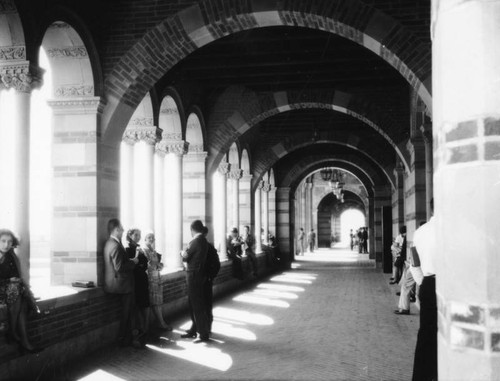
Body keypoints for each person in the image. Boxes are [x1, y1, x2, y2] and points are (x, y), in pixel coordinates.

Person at [0, 229, 41, 353]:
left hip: (11, 291)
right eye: (3, 241)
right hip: (4, 290)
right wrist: (9, 281)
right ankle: (15, 334)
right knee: (17, 293)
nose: (6, 245)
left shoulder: (11, 256)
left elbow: (16, 275)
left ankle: (23, 341)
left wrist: (14, 281)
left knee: (22, 305)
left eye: (10, 242)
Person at [410, 204, 437, 381]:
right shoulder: (458, 229)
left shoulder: (420, 232)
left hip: (428, 284)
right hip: (450, 285)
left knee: (426, 335)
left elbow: (414, 263)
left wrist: (425, 283)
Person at [103, 218, 139, 346]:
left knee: (127, 312)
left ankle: (126, 338)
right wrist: (133, 262)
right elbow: (119, 267)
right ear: (117, 230)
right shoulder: (116, 245)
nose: (123, 231)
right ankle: (124, 339)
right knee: (128, 312)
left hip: (114, 284)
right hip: (122, 285)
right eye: (122, 228)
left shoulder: (109, 243)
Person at [184, 226, 221, 337]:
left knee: (204, 305)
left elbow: (217, 264)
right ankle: (195, 328)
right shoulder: (204, 245)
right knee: (195, 304)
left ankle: (205, 330)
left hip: (204, 281)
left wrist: (210, 277)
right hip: (200, 280)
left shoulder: (207, 247)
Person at [180, 220, 210, 342]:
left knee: (196, 305)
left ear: (192, 230)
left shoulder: (195, 241)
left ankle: (202, 334)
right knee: (195, 303)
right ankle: (194, 329)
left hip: (193, 276)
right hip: (199, 275)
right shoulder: (204, 240)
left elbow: (185, 257)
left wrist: (181, 252)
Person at [142, 232, 172, 331]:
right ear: (145, 239)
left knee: (158, 302)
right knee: (155, 302)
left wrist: (160, 265)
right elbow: (147, 265)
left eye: (153, 238)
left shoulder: (153, 250)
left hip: (157, 277)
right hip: (150, 279)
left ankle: (159, 323)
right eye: (149, 237)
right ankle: (161, 323)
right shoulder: (143, 250)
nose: (151, 239)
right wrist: (157, 265)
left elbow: (155, 264)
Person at [124, 228, 150, 338]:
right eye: (136, 235)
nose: (138, 237)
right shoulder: (128, 248)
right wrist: (140, 264)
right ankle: (140, 328)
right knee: (138, 305)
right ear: (130, 236)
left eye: (139, 235)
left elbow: (145, 263)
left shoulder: (139, 247)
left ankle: (146, 327)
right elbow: (133, 264)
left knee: (145, 303)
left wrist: (141, 264)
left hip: (143, 278)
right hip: (136, 279)